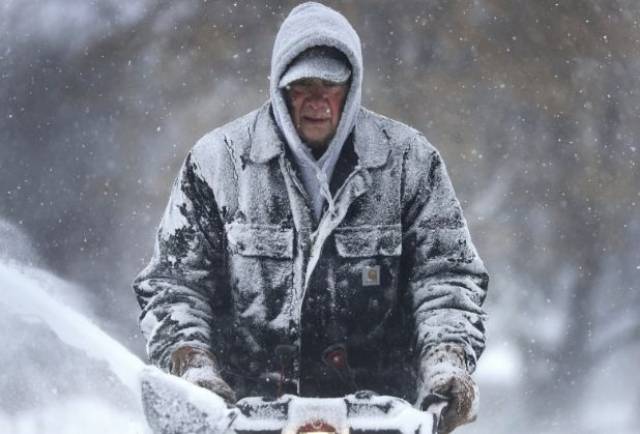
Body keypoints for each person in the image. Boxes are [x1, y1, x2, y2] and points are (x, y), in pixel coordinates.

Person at [133, 3, 488, 433]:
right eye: (303, 85)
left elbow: (446, 279)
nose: (318, 99)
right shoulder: (218, 164)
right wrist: (192, 367)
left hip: (380, 418)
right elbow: (174, 285)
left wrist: (445, 362)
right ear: (281, 87)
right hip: (245, 418)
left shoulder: (411, 163)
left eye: (331, 83)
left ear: (352, 85)